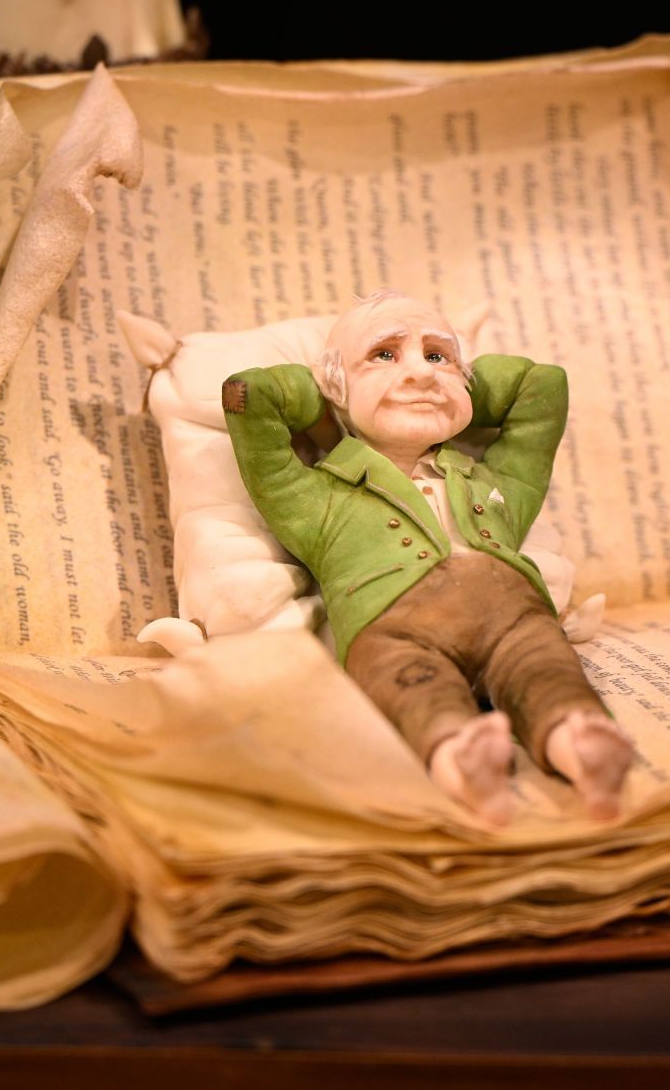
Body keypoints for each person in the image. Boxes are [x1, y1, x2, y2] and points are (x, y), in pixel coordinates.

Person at [223, 291, 634, 824]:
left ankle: (580, 745)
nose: (419, 374)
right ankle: (461, 758)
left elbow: (543, 387)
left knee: (547, 670)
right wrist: (319, 394)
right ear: (335, 383)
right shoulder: (320, 498)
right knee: (413, 691)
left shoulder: (494, 481)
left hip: (514, 618)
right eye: (385, 355)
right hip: (393, 632)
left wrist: (463, 388)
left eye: (436, 355)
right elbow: (249, 400)